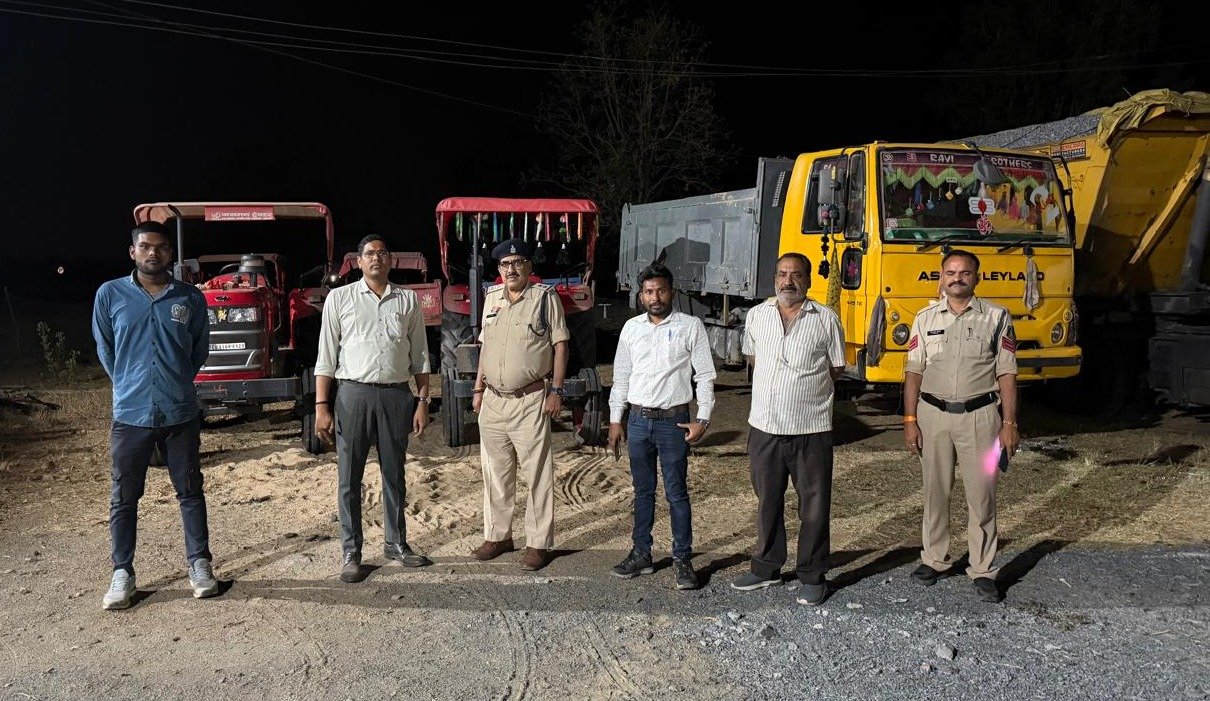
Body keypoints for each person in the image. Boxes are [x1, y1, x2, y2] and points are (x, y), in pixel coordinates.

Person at [92, 220, 218, 610]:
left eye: (161, 247)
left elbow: (199, 350)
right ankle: (122, 574)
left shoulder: (190, 297)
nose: (153, 253)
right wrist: (129, 383)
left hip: (179, 411)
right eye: (145, 246)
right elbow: (106, 348)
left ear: (170, 253)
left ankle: (199, 565)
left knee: (190, 491)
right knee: (124, 496)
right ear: (133, 252)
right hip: (130, 414)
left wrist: (174, 380)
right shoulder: (110, 294)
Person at [314, 234, 433, 583]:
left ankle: (396, 543)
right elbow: (326, 357)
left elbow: (420, 355)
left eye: (382, 253)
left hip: (396, 396)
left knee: (394, 474)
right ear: (359, 261)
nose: (376, 258)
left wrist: (422, 401)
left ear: (391, 260)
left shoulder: (407, 300)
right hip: (353, 395)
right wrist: (322, 405)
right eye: (369, 253)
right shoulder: (340, 298)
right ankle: (351, 552)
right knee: (349, 478)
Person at [903, 249, 1020, 603]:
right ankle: (934, 559)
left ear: (976, 278)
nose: (957, 278)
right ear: (941, 277)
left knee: (982, 494)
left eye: (964, 272)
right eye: (950, 272)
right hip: (933, 416)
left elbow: (1007, 372)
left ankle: (983, 568)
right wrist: (910, 420)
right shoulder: (924, 318)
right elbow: (913, 371)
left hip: (982, 419)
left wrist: (1009, 423)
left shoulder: (997, 317)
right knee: (935, 491)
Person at [730, 253, 845, 606]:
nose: (788, 281)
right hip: (765, 427)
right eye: (782, 274)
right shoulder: (757, 315)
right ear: (774, 278)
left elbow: (836, 368)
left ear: (808, 280)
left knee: (814, 504)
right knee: (767, 499)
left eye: (796, 275)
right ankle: (766, 567)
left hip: (811, 428)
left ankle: (812, 574)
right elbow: (754, 359)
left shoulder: (825, 319)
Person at [607, 264, 716, 591]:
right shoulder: (631, 329)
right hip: (638, 422)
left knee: (676, 493)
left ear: (672, 292)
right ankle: (642, 554)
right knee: (642, 492)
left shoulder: (690, 326)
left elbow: (705, 376)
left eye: (661, 291)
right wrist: (616, 420)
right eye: (649, 292)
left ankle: (682, 558)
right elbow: (621, 378)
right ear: (641, 296)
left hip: (674, 422)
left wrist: (703, 419)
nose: (655, 297)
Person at [470, 237, 569, 571]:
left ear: (528, 266)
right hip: (493, 401)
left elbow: (560, 345)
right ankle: (498, 536)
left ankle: (538, 543)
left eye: (517, 263)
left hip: (530, 400)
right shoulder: (492, 298)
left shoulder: (544, 298)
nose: (510, 269)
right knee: (495, 473)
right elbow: (485, 346)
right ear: (499, 269)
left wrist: (556, 390)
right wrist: (478, 389)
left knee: (537, 474)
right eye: (504, 264)